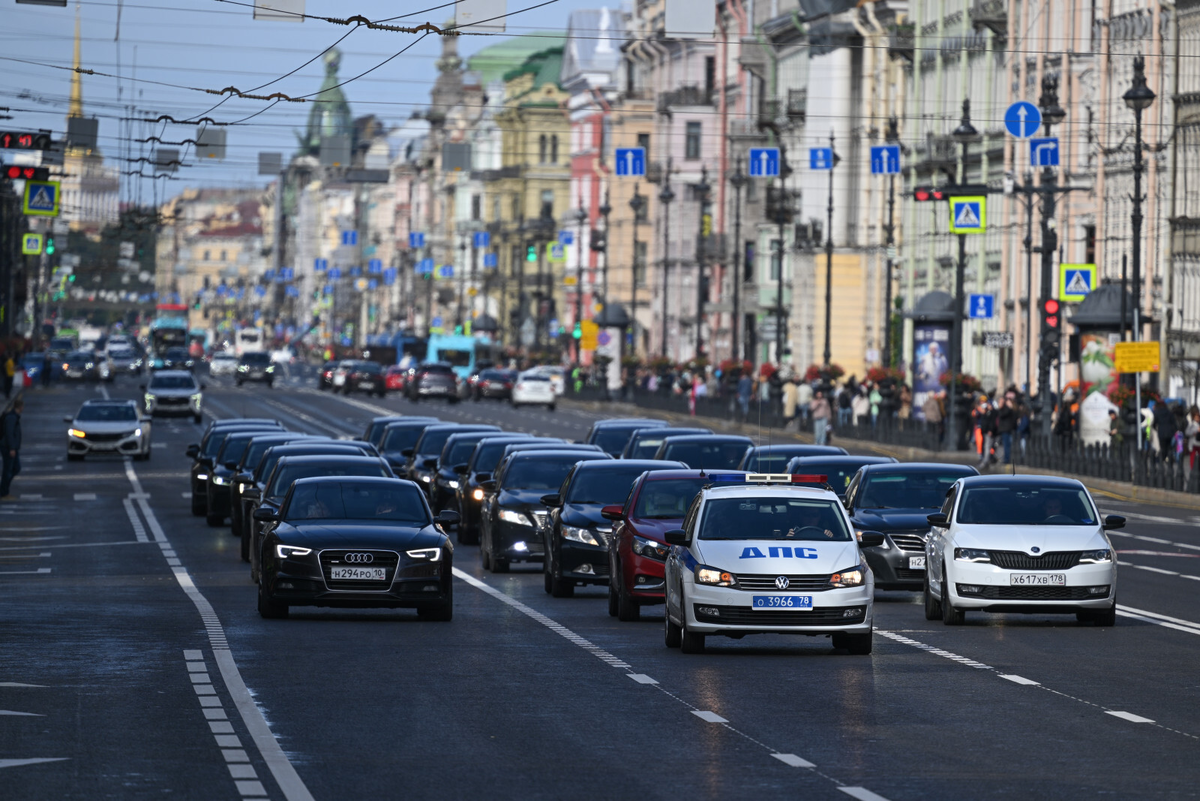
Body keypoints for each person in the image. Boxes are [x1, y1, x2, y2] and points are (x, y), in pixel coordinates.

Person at [0, 397, 22, 501]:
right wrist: (12, 448)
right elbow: (9, 434)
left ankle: (4, 490)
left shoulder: (14, 416)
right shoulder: (12, 418)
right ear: (20, 407)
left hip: (11, 447)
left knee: (15, 468)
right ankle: (3, 492)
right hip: (8, 448)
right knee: (8, 470)